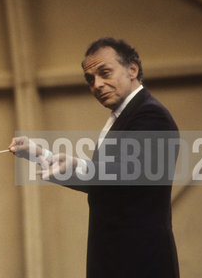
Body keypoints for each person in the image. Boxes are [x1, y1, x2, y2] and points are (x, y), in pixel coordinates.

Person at [9, 37, 180, 278]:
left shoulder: (150, 114)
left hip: (139, 260)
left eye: (105, 73)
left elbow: (133, 173)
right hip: (114, 259)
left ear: (132, 69)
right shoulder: (124, 117)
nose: (97, 85)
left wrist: (81, 164)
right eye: (90, 79)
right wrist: (40, 155)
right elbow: (101, 183)